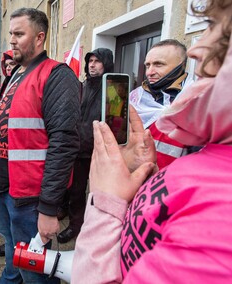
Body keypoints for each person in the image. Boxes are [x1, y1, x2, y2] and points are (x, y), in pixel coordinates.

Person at [72, 0, 232, 282]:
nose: (196, 48)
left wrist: (104, 207)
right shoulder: (135, 99)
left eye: (214, 28)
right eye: (147, 64)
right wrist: (146, 169)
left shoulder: (220, 212)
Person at [0, 8, 80, 283]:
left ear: (39, 38)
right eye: (10, 34)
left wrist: (49, 208)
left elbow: (63, 145)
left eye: (18, 34)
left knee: (35, 268)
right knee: (14, 249)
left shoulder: (57, 76)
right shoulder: (15, 73)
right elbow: (6, 124)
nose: (11, 41)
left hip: (28, 198)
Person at [57, 48, 114, 244]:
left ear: (106, 63)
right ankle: (75, 226)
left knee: (101, 193)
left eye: (97, 61)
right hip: (79, 149)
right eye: (90, 61)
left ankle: (101, 229)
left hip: (102, 151)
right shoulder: (80, 87)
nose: (92, 64)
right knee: (76, 191)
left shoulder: (113, 89)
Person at [129, 39, 194, 169]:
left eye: (159, 64)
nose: (149, 72)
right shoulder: (135, 97)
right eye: (148, 65)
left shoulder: (195, 103)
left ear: (181, 66)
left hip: (171, 184)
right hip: (133, 180)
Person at [0, 49, 17, 258]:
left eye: (13, 64)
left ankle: (12, 274)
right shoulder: (3, 88)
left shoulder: (22, 87)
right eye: (7, 65)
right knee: (6, 227)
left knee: (19, 225)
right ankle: (10, 245)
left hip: (16, 168)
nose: (9, 68)